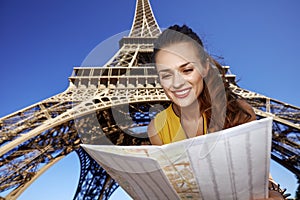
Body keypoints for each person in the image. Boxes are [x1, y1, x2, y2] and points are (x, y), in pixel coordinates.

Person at [147, 24, 288, 200]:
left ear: (205, 68)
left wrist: (274, 195)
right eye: (166, 75)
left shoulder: (238, 111)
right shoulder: (157, 128)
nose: (177, 83)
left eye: (187, 70)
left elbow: (263, 179)